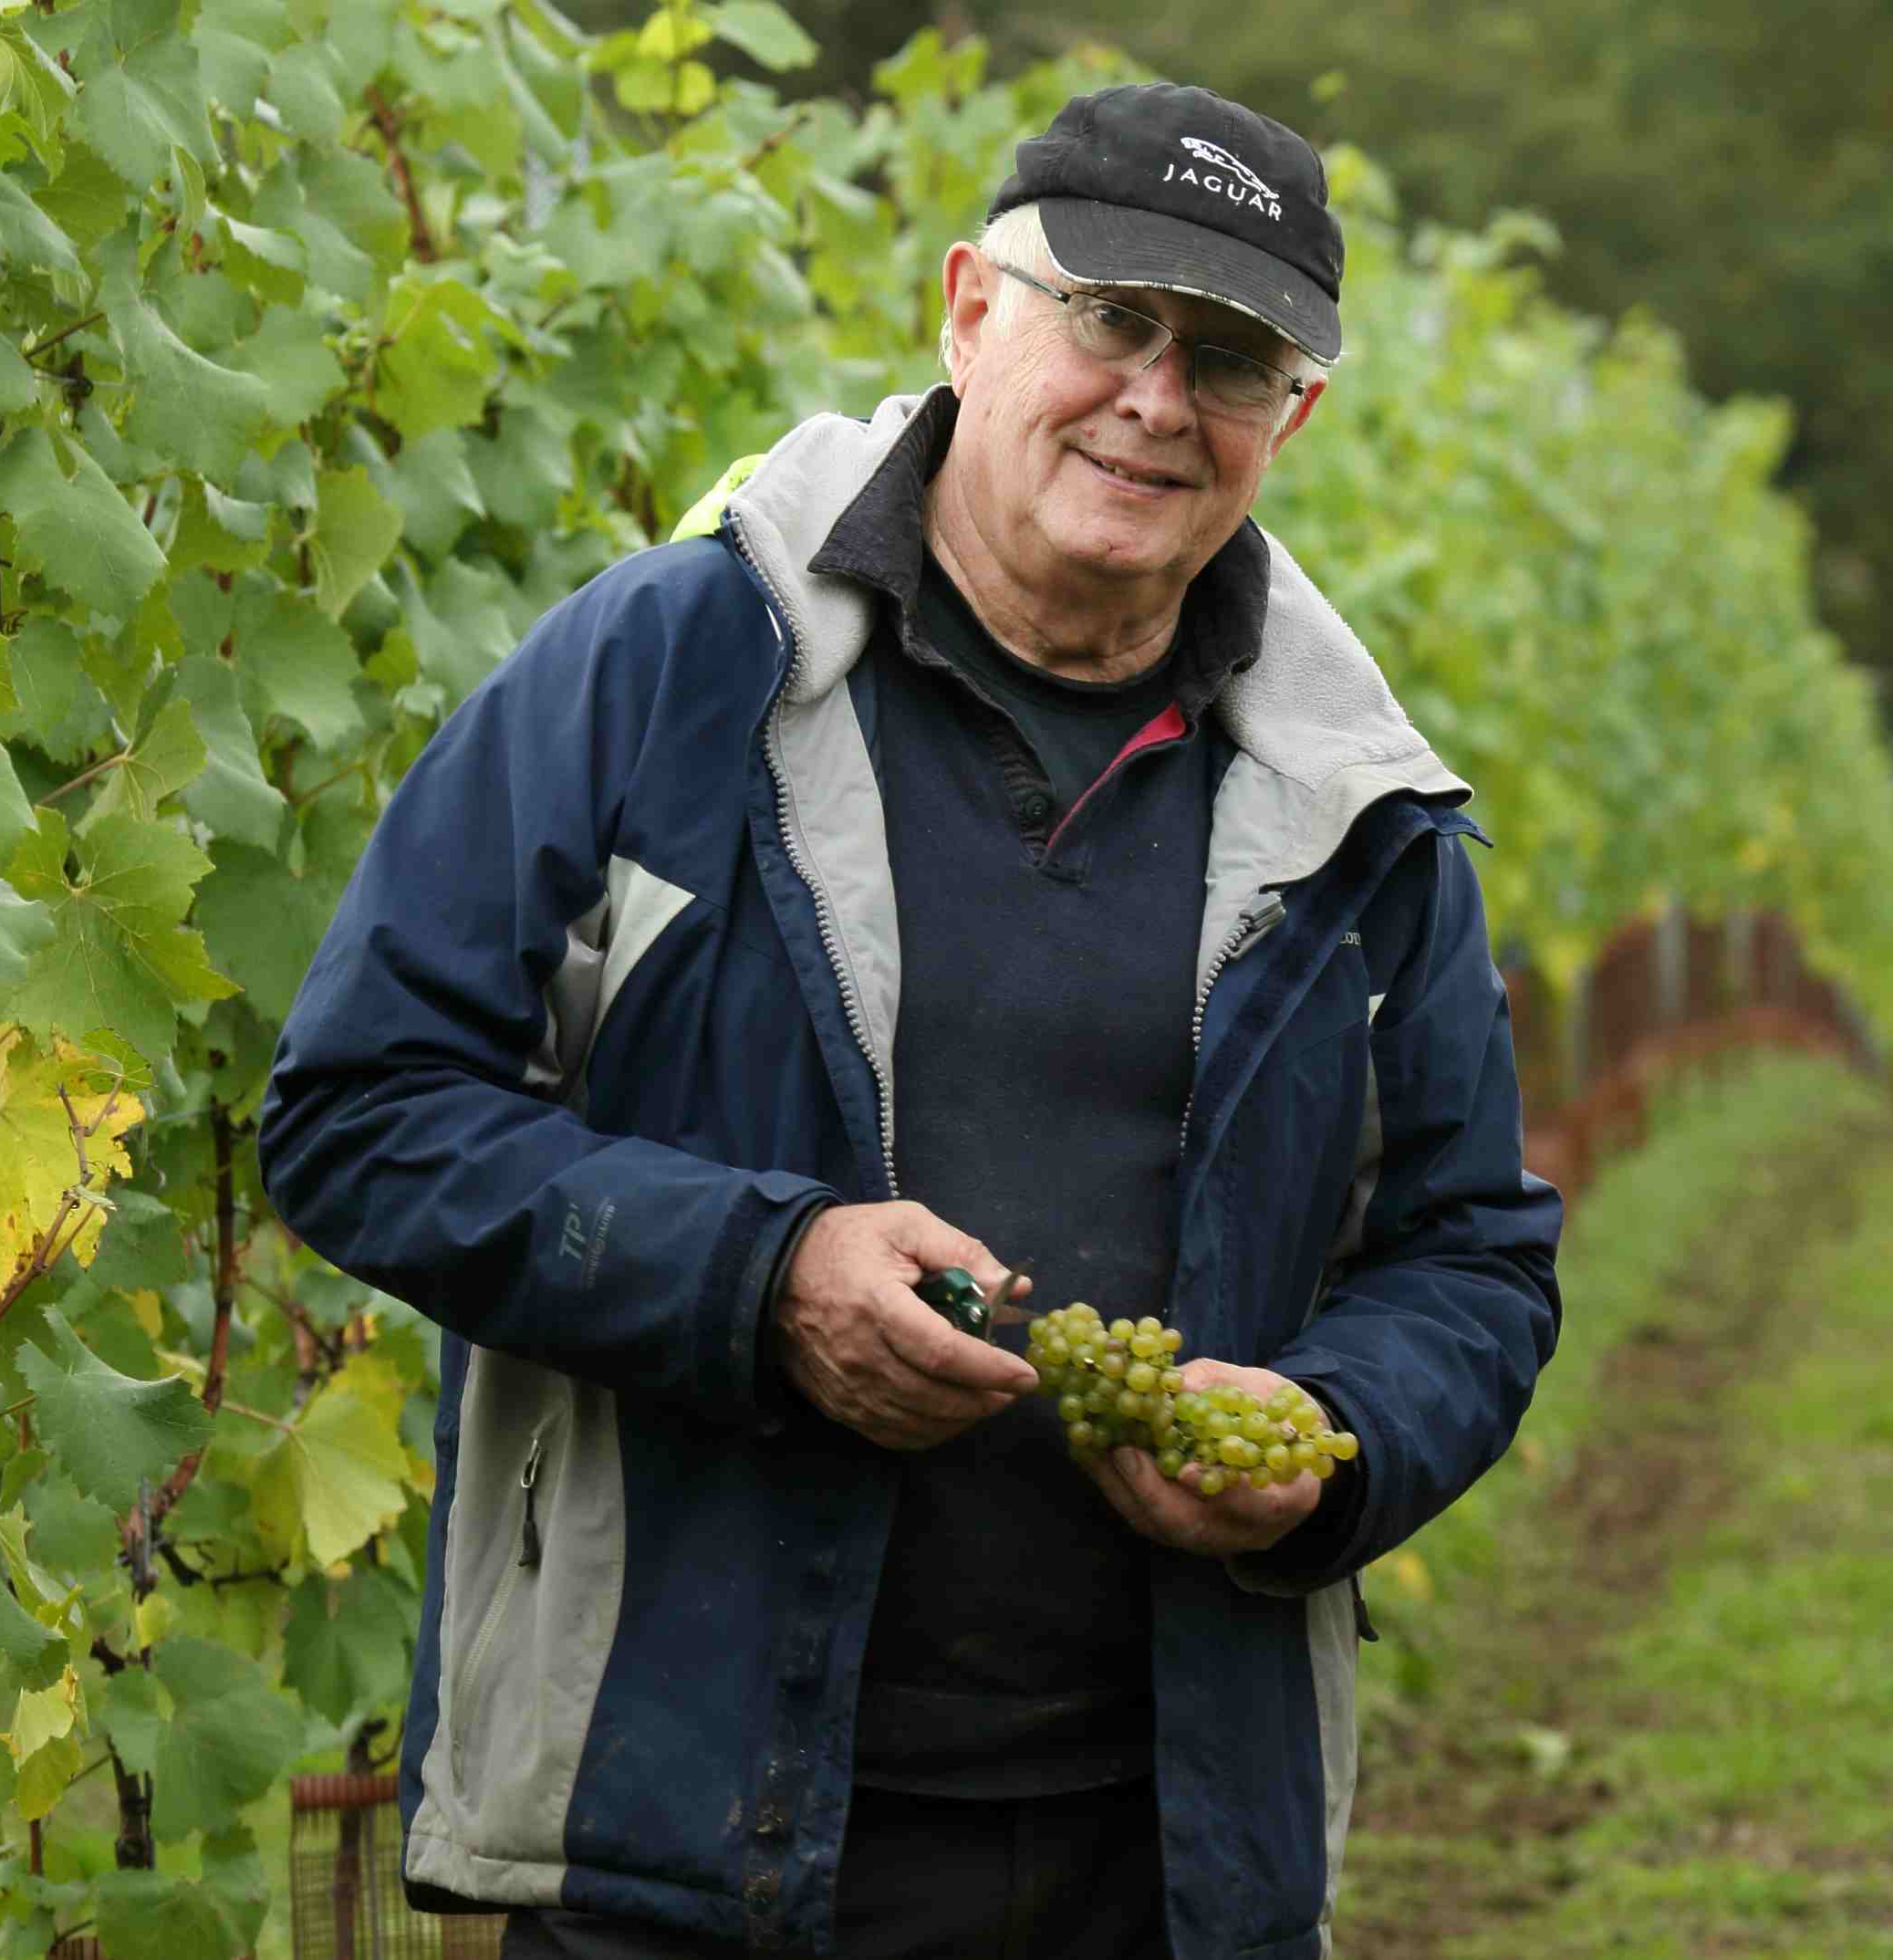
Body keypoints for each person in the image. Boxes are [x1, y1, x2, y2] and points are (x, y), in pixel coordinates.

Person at [258, 80, 1562, 1960]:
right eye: (1108, 317)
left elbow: (1472, 1258)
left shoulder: (1357, 809)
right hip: (686, 1835)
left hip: (1170, 1862)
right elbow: (357, 1111)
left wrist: (1337, 1437)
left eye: (1229, 359)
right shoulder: (670, 668)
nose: (1154, 397)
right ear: (966, 310)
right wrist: (758, 1277)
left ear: (1296, 415)